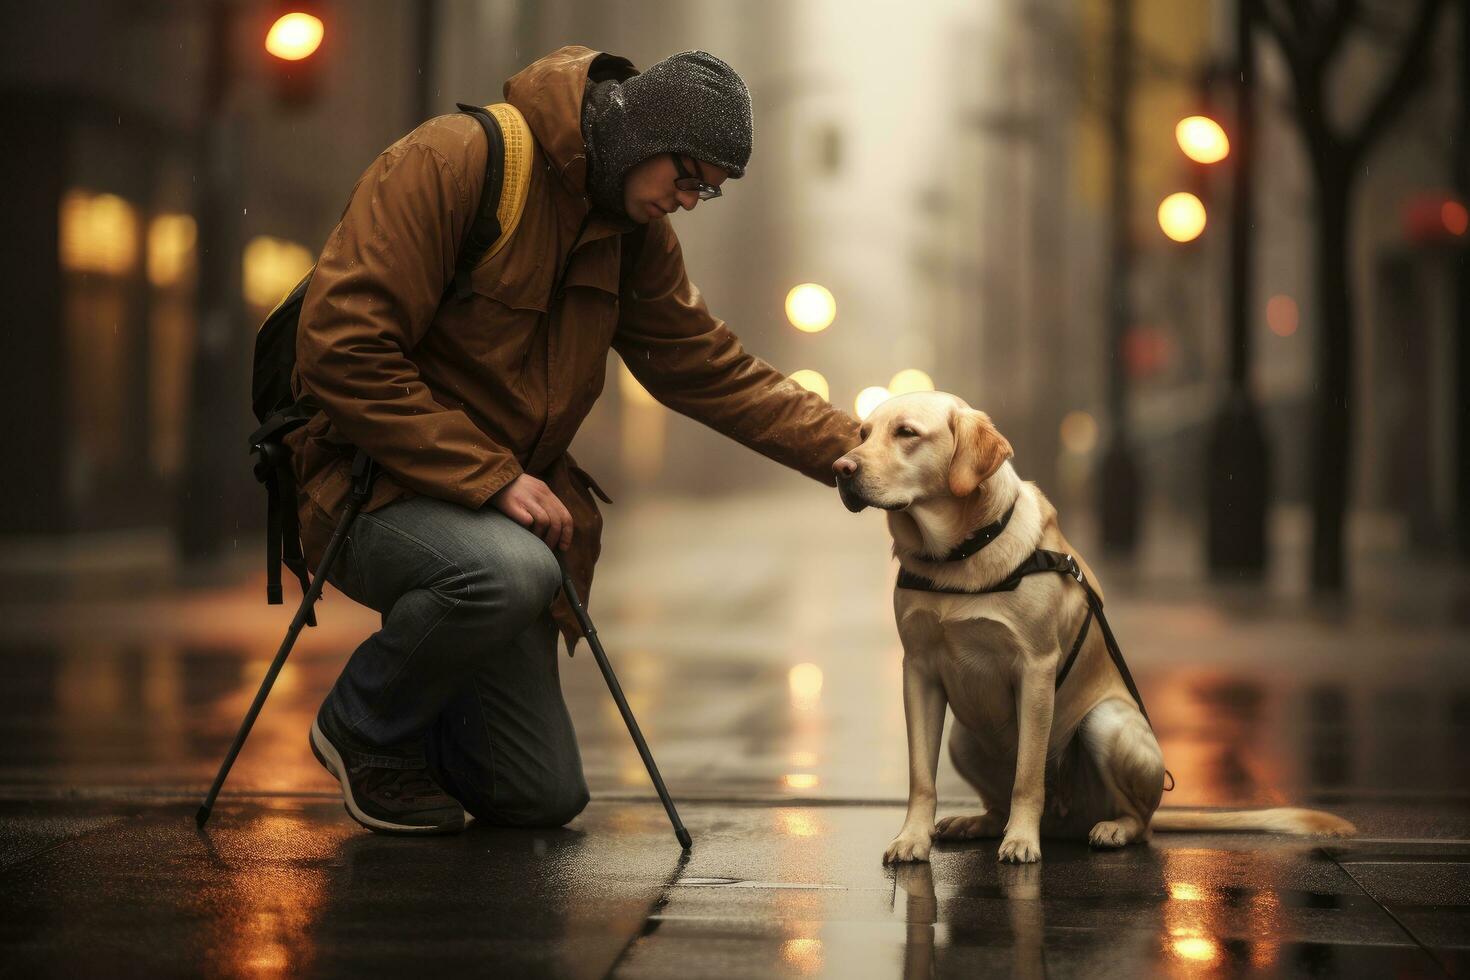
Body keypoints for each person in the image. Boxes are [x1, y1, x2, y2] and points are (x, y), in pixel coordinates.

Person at [287, 45, 859, 835]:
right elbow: (340, 349)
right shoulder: (453, 163)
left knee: (540, 797)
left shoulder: (633, 232)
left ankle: (424, 718)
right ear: (643, 135)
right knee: (510, 572)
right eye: (688, 178)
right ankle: (364, 726)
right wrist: (492, 477)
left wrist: (865, 450)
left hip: (497, 522)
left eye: (709, 192)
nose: (691, 201)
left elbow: (709, 369)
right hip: (365, 487)